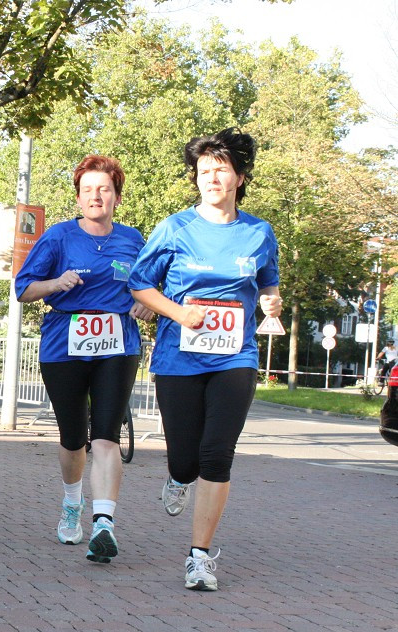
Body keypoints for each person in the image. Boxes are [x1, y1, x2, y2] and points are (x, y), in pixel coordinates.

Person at [129, 127, 282, 591]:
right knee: (185, 459)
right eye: (203, 171)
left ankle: (199, 557)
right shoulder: (175, 227)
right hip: (178, 356)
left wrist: (272, 302)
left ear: (239, 177)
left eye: (221, 170)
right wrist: (180, 313)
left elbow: (268, 283)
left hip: (235, 355)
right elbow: (139, 283)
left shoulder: (258, 232)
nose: (211, 178)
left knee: (217, 454)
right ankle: (177, 478)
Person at [14, 155, 152, 563]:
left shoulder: (133, 239)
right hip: (63, 345)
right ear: (78, 199)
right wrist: (56, 283)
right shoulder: (58, 237)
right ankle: (72, 504)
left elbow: (150, 285)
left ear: (117, 198)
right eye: (89, 190)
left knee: (105, 434)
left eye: (104, 189)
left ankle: (104, 522)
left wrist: (147, 305)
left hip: (118, 346)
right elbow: (23, 288)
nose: (96, 196)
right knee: (74, 437)